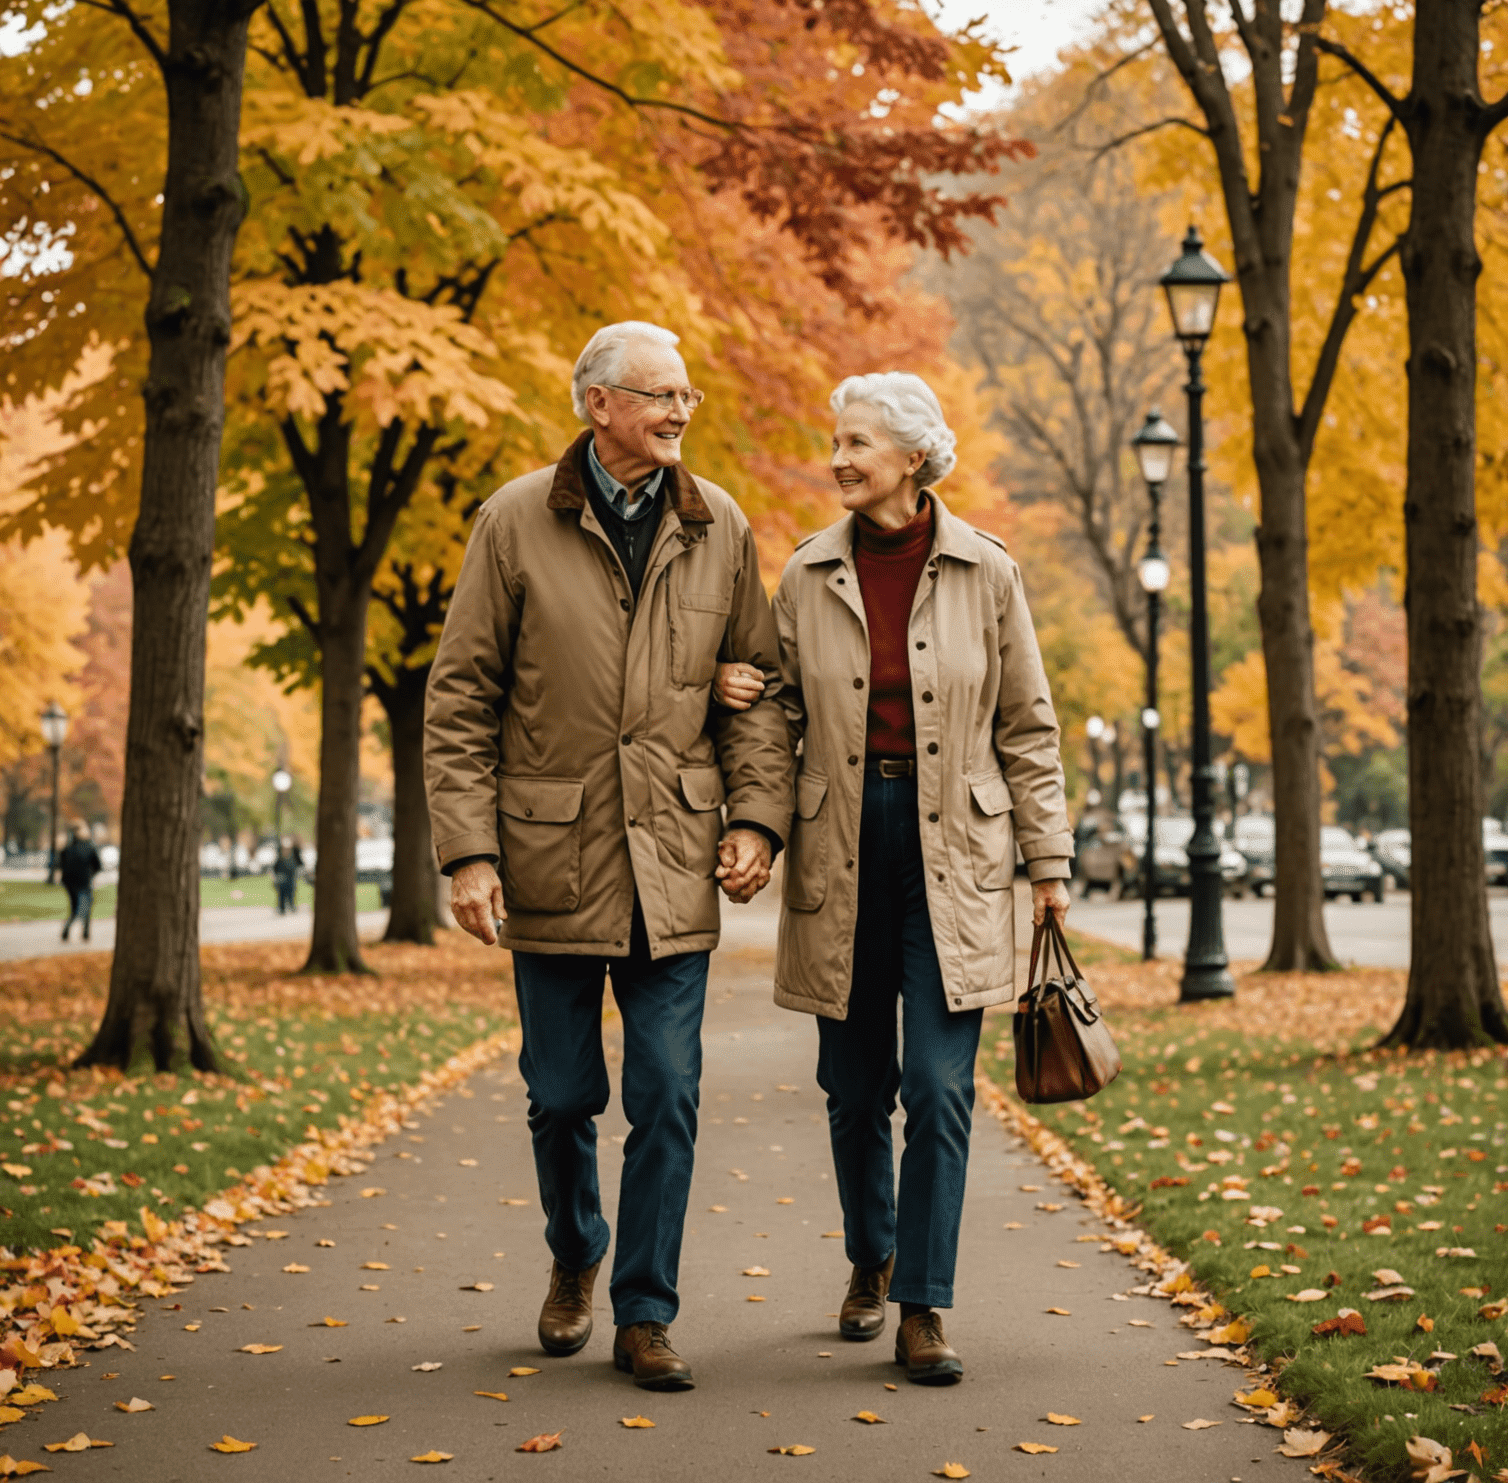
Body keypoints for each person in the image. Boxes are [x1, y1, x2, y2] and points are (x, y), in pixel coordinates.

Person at [425, 321, 793, 1393]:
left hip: (673, 860)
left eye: (688, 397)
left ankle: (644, 1310)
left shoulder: (719, 524)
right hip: (549, 857)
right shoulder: (513, 521)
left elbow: (756, 690)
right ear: (597, 405)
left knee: (669, 1092)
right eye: (660, 396)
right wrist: (469, 853)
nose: (682, 413)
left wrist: (757, 822)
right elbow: (461, 700)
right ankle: (577, 1245)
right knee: (560, 1094)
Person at [713, 371, 1073, 1386]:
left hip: (956, 845)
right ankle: (870, 1255)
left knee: (941, 1087)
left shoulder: (986, 572)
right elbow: (774, 718)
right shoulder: (805, 573)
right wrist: (756, 819)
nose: (838, 457)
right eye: (835, 440)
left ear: (913, 455)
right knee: (852, 1085)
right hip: (843, 837)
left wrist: (1048, 864)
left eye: (857, 441)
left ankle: (924, 1302)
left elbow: (1028, 727)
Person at [58, 822, 102, 942]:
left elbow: (61, 865)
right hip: (82, 882)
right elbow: (98, 866)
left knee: (76, 908)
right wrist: (90, 875)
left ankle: (69, 931)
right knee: (84, 907)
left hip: (70, 882)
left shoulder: (67, 848)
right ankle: (85, 933)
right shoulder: (88, 847)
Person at [272, 840, 299, 914]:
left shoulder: (292, 860)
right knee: (282, 895)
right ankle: (282, 908)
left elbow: (294, 869)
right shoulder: (280, 860)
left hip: (290, 880)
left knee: (290, 894)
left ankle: (291, 905)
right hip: (282, 881)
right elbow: (275, 869)